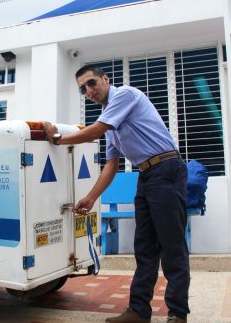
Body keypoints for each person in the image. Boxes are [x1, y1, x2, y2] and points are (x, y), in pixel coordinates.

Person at [42, 65, 190, 323]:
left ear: (106, 79)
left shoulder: (125, 95)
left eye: (91, 83)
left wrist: (57, 139)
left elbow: (95, 131)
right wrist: (90, 198)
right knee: (144, 248)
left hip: (166, 169)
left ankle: (177, 314)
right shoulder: (109, 119)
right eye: (82, 89)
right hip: (146, 176)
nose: (88, 91)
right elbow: (112, 165)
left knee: (172, 246)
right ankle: (138, 312)